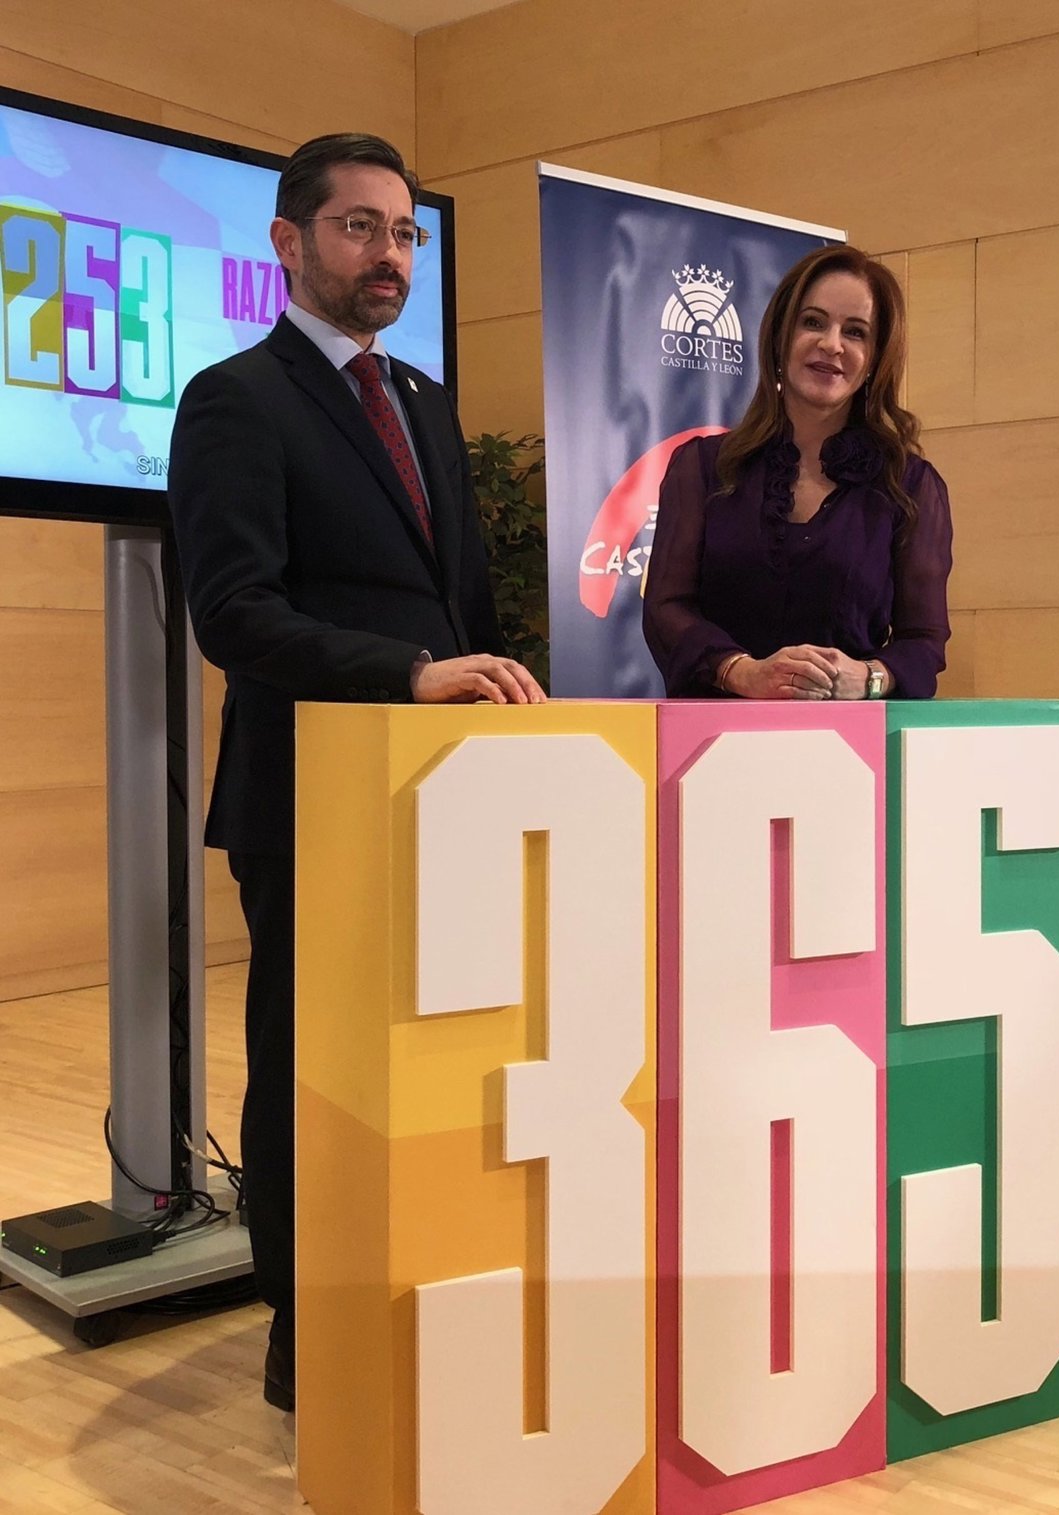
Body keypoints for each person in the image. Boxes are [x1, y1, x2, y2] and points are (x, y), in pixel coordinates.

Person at [168, 133, 544, 1412]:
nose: (390, 255)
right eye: (360, 228)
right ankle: (304, 1327)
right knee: (311, 1073)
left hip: (448, 797)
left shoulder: (425, 400)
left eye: (405, 234)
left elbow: (465, 604)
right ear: (289, 242)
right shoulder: (236, 398)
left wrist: (487, 702)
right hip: (312, 799)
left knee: (432, 1064)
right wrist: (409, 673)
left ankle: (417, 1284)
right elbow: (234, 613)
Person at [643, 244, 952, 702]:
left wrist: (868, 677)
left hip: (849, 737)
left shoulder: (909, 486)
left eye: (856, 332)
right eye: (813, 322)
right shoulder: (703, 467)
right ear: (780, 337)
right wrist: (742, 672)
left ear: (874, 360)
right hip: (713, 733)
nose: (832, 344)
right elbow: (666, 608)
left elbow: (924, 642)